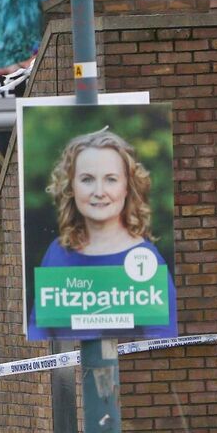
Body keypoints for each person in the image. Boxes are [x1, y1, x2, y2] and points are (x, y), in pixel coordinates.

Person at [28, 129, 177, 340]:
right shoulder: (58, 251)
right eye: (87, 179)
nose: (99, 191)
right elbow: (38, 328)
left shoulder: (146, 261)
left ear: (127, 186)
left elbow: (164, 343)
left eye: (111, 179)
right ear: (71, 187)